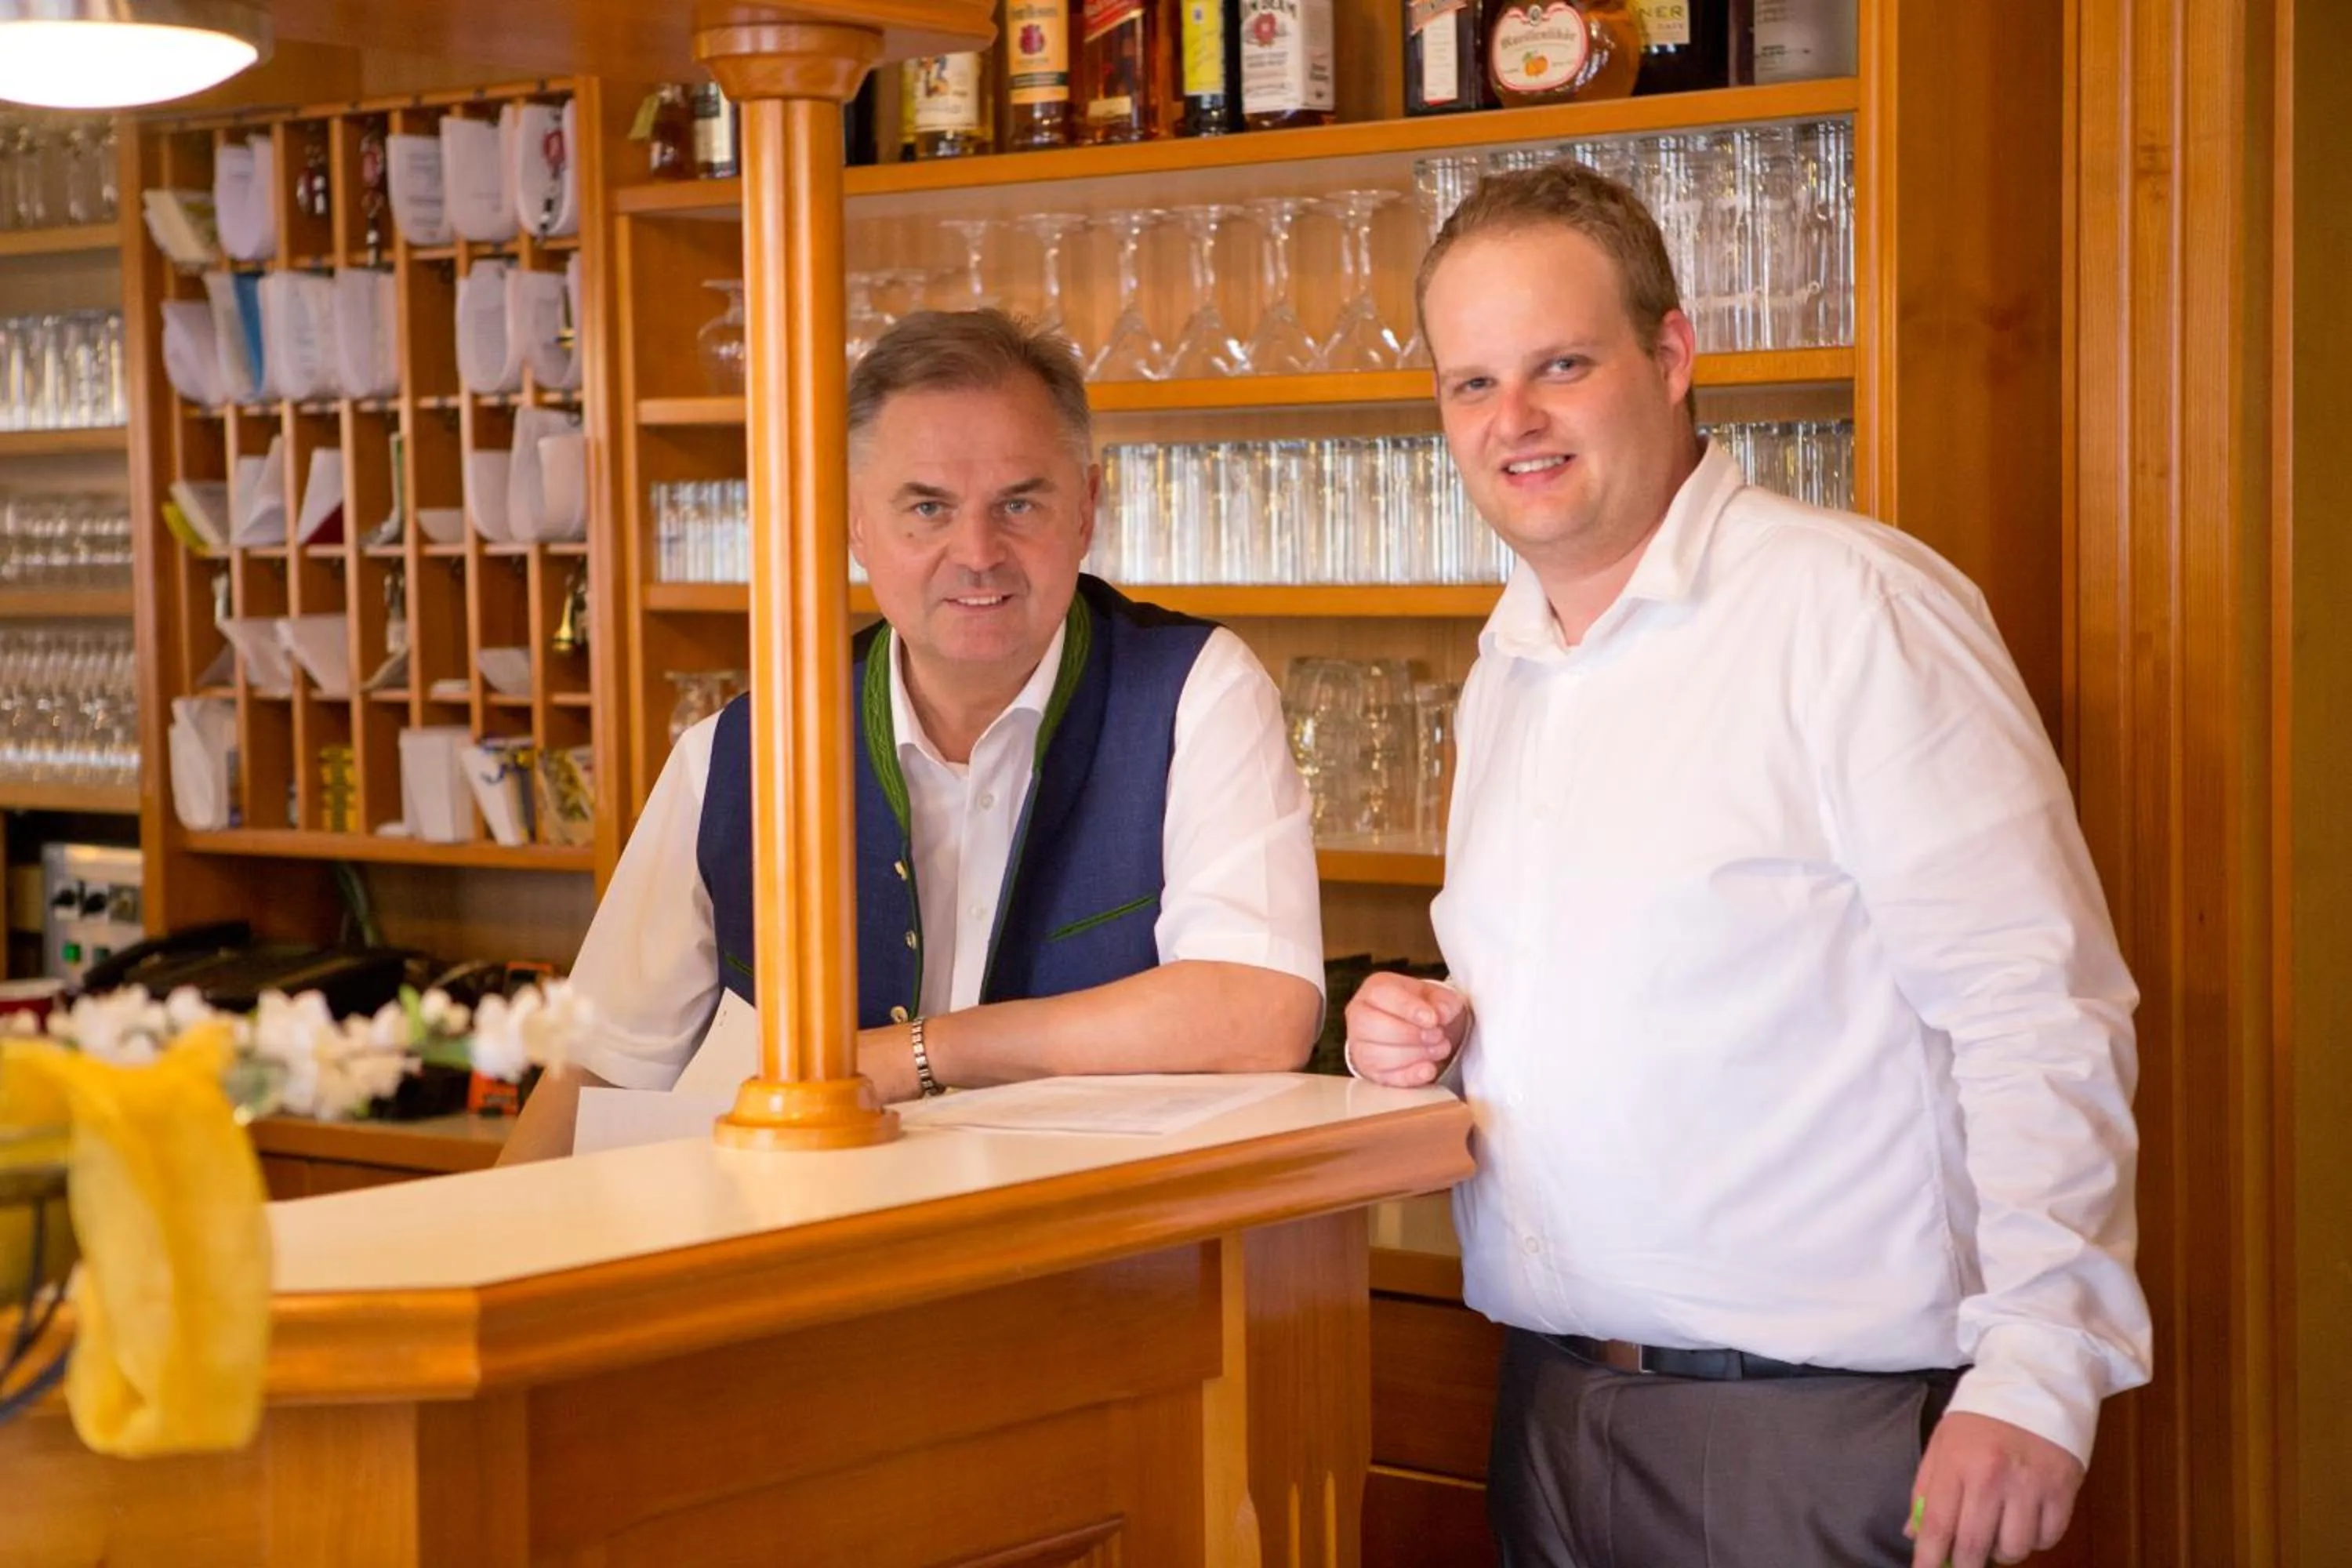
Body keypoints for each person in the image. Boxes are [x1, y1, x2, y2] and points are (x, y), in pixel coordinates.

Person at [1345, 164, 2151, 1568]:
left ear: (1669, 356)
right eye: (1471, 384)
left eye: (1561, 365)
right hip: (1549, 1401)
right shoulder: (1511, 664)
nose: (1512, 421)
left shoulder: (1852, 612)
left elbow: (2037, 1008)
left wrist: (2041, 1368)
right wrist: (1426, 1036)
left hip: (1802, 1432)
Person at [502, 309, 1324, 1163]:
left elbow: (1264, 1010)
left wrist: (912, 1054)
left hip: (1118, 1258)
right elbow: (595, 1071)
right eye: (928, 507)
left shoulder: (1195, 690)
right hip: (843, 1263)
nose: (977, 551)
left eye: (1019, 502)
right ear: (856, 523)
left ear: (1086, 508)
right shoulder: (743, 752)